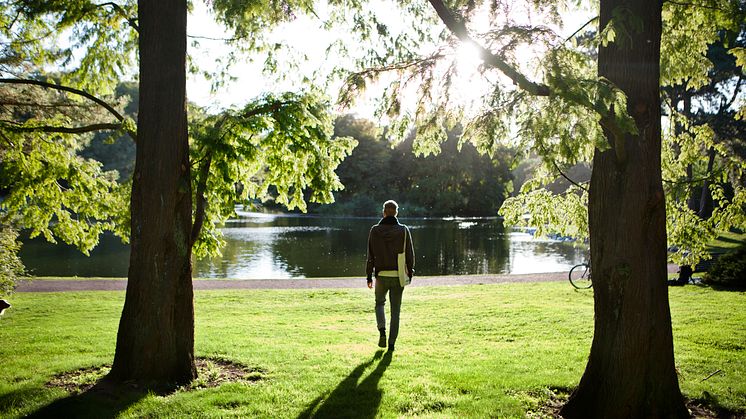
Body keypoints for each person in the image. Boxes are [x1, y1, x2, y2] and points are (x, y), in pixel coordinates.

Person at [366, 200, 414, 352]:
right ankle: (392, 344)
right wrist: (410, 272)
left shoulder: (374, 230)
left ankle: (382, 331)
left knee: (379, 303)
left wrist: (369, 276)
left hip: (381, 275)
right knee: (395, 311)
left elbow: (370, 256)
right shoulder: (404, 230)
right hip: (398, 275)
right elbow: (410, 254)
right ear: (396, 213)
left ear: (384, 212)